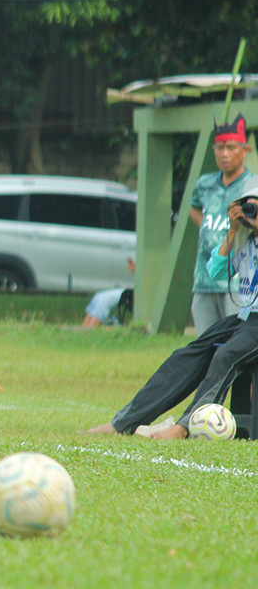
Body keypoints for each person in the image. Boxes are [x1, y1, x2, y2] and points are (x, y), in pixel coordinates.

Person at [82, 180, 258, 439]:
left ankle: (185, 427)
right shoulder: (244, 239)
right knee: (187, 355)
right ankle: (123, 423)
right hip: (245, 317)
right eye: (248, 206)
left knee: (226, 356)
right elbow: (217, 271)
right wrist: (232, 232)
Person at [187, 113, 253, 333]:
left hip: (235, 283)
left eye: (231, 147)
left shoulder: (252, 186)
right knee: (205, 344)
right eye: (219, 148)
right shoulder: (204, 184)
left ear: (245, 150)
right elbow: (192, 206)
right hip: (203, 279)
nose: (224, 154)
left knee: (232, 344)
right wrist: (209, 227)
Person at [82, 258, 135, 328]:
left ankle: (89, 329)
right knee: (99, 296)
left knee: (103, 300)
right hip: (125, 291)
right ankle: (83, 329)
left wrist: (134, 269)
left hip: (127, 294)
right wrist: (133, 269)